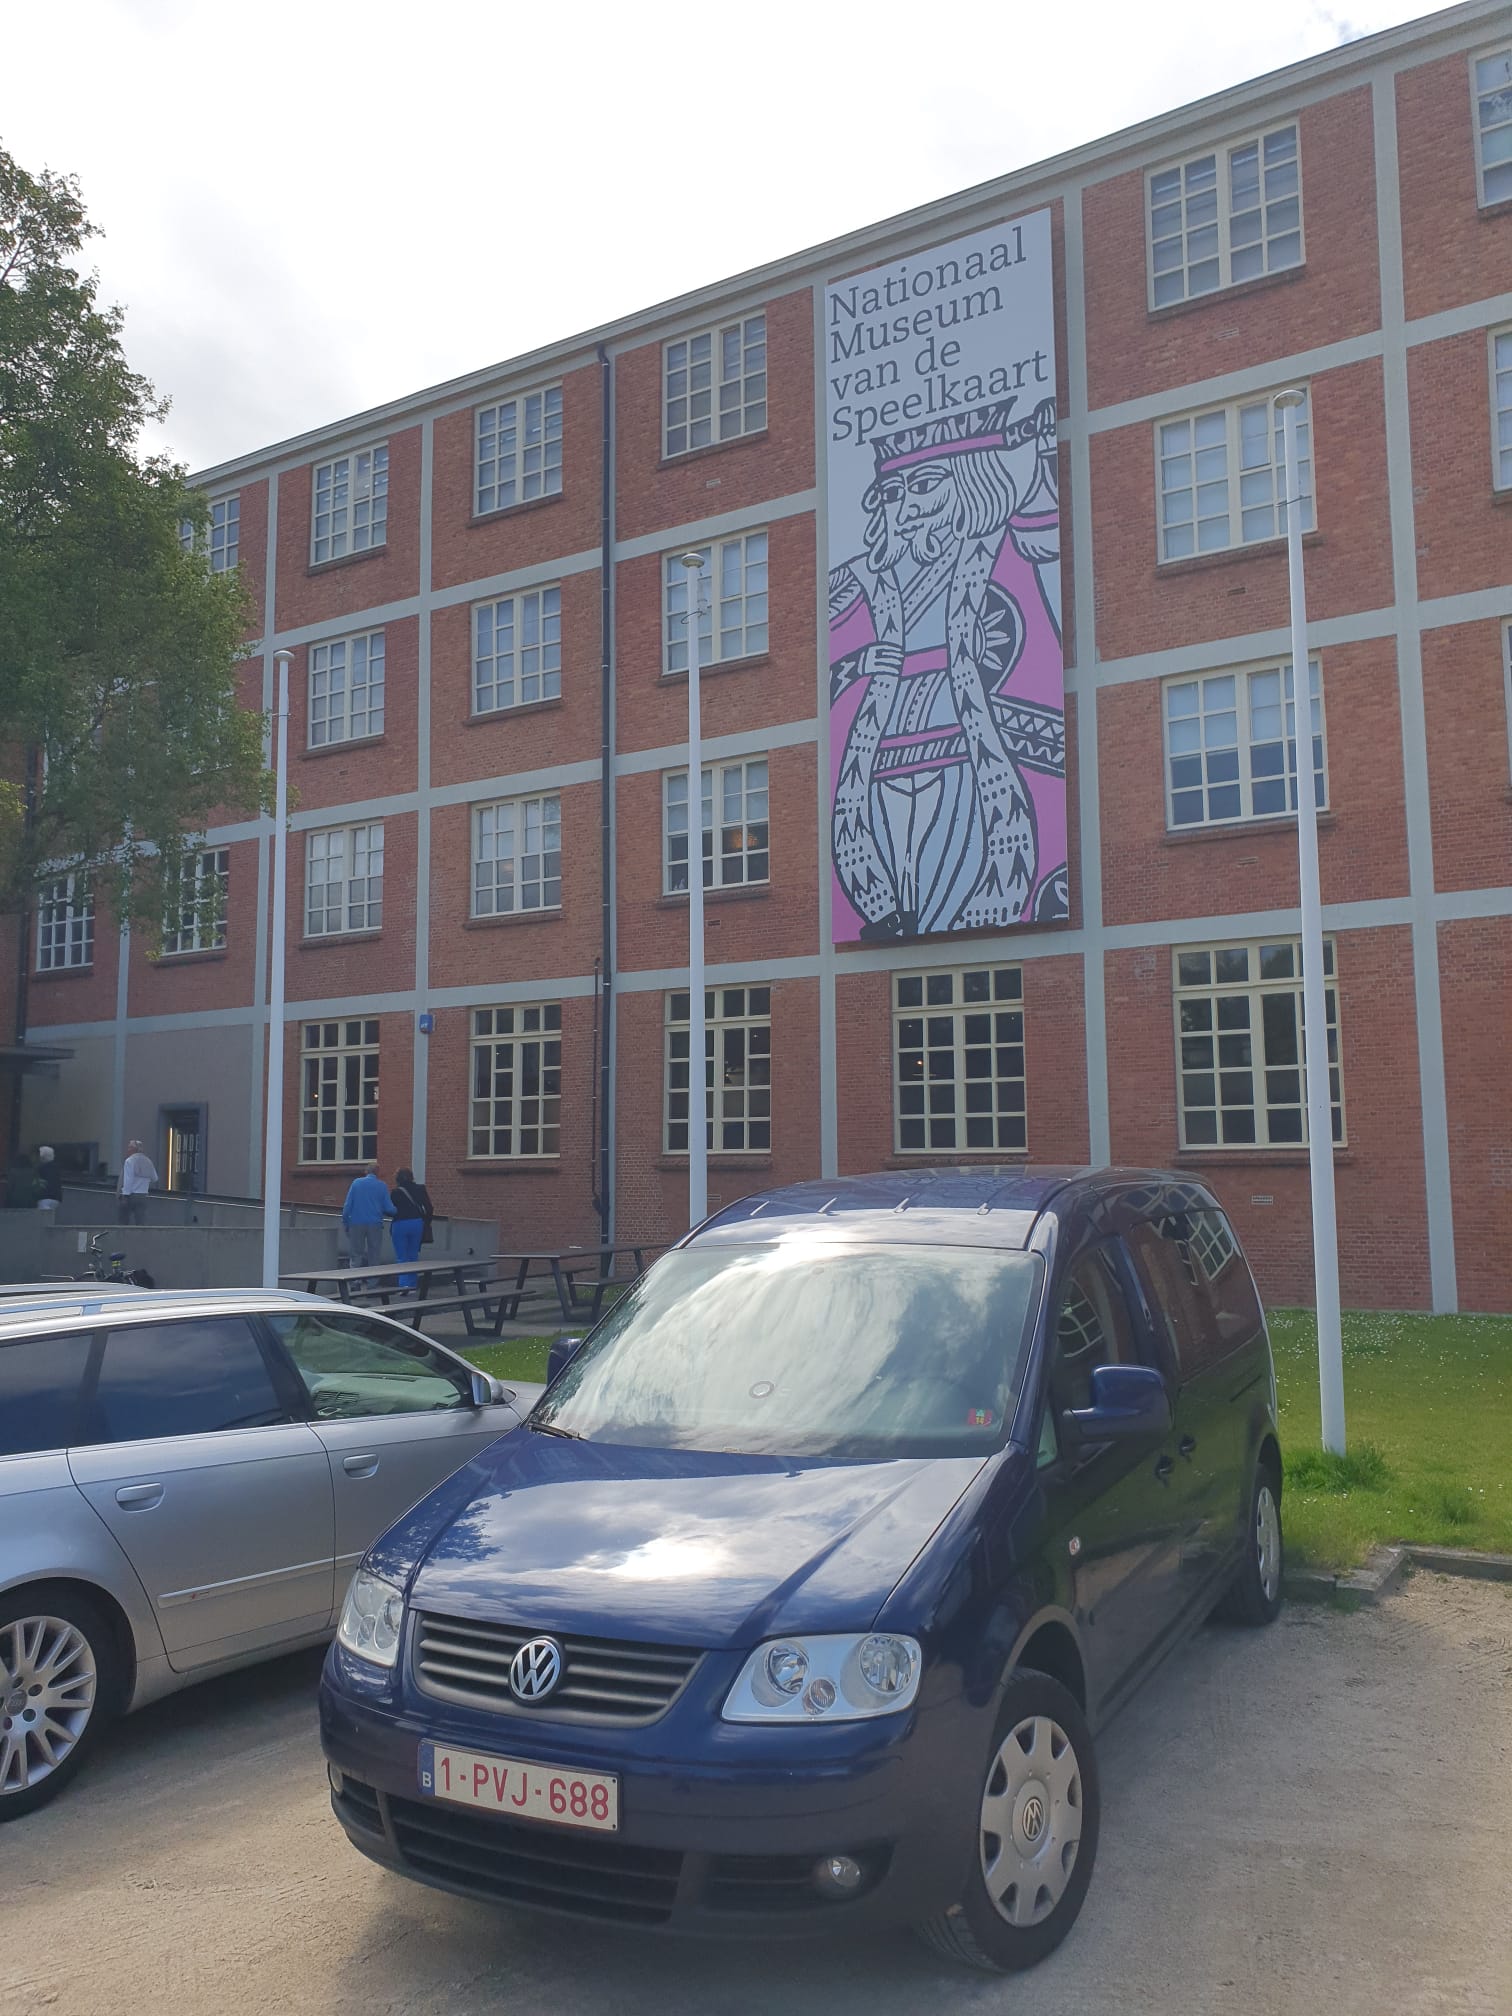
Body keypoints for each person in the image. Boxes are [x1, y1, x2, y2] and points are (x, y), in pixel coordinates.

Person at [342, 1162, 395, 1286]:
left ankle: (354, 1281)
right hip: (374, 1223)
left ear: (366, 1171)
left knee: (356, 1254)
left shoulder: (356, 1183)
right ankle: (372, 1283)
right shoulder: (382, 1186)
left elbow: (348, 1205)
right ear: (378, 1173)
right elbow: (389, 1208)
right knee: (374, 1254)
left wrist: (345, 1221)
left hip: (356, 1223)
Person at [389, 1167, 434, 1290]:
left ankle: (404, 1285)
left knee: (401, 1256)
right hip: (416, 1223)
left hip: (400, 1224)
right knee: (413, 1255)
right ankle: (413, 1284)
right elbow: (429, 1207)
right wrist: (426, 1222)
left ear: (398, 1179)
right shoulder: (420, 1189)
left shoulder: (396, 1192)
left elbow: (390, 1210)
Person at [117, 1140, 157, 1226]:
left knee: (123, 1221)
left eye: (129, 1147)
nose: (128, 1149)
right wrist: (144, 1182)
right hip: (143, 1195)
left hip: (130, 1195)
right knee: (140, 1222)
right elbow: (155, 1178)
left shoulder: (130, 1161)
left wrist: (124, 1196)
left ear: (134, 1149)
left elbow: (128, 1180)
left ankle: (124, 1234)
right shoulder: (148, 1161)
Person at [35, 1146, 63, 1213]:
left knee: (43, 1217)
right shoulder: (56, 1168)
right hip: (56, 1198)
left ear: (43, 1157)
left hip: (44, 1197)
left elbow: (37, 1183)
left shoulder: (41, 1168)